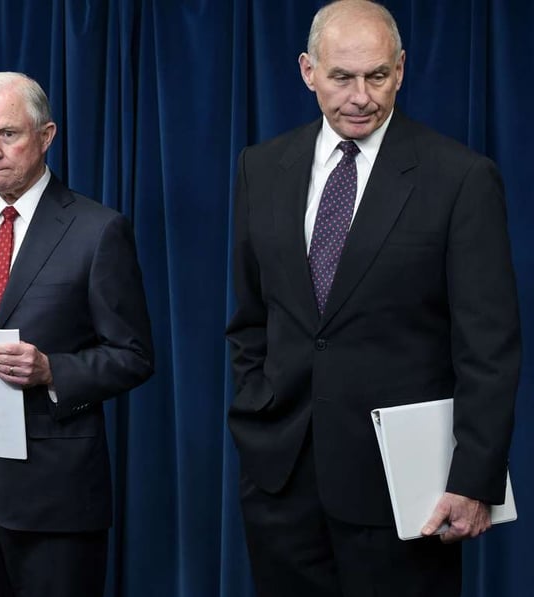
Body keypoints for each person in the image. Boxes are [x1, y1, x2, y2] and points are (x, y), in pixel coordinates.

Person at [226, 1, 520, 595]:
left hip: (407, 489)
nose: (361, 95)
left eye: (377, 76)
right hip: (283, 479)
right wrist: (257, 415)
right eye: (341, 77)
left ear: (402, 70)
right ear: (308, 72)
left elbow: (489, 345)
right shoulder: (261, 167)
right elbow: (251, 320)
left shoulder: (460, 178)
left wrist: (474, 478)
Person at [0, 71, 153, 596]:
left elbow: (132, 355)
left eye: (8, 134)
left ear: (46, 135)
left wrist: (52, 371)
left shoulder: (98, 229)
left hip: (57, 497)